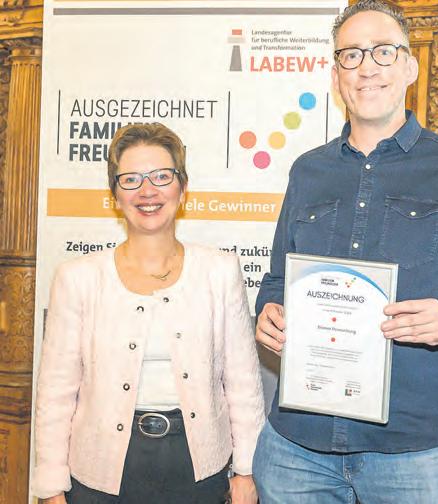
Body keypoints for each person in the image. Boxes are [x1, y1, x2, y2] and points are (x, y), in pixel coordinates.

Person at [253, 1, 438, 503]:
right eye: (352, 55)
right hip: (297, 450)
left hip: (413, 453)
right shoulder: (307, 171)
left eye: (383, 51)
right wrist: (270, 310)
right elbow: (277, 278)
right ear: (336, 75)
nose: (367, 68)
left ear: (409, 67)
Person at [33, 123, 265, 504]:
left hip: (198, 472)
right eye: (131, 179)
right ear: (114, 195)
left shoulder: (220, 271)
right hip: (99, 474)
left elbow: (243, 383)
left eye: (161, 176)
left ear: (182, 187)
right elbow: (56, 394)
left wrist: (247, 470)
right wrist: (50, 486)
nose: (147, 191)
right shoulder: (77, 278)